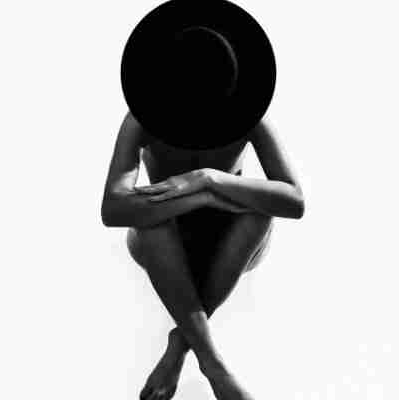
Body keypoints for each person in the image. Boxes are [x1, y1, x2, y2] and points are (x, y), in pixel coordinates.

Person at [101, 1, 304, 399]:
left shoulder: (251, 116)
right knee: (148, 215)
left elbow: (293, 199)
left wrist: (207, 179)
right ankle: (214, 364)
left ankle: (180, 347)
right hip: (164, 235)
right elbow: (113, 207)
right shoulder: (141, 118)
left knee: (261, 213)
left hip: (235, 236)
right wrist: (199, 198)